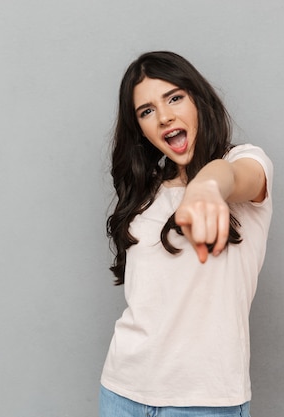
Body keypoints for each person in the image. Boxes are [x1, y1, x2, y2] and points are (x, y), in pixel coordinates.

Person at [100, 51, 273, 417]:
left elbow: (235, 177)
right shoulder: (145, 194)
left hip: (203, 402)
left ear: (199, 100)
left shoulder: (246, 162)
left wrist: (207, 186)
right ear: (141, 130)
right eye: (146, 111)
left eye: (175, 97)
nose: (164, 117)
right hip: (122, 390)